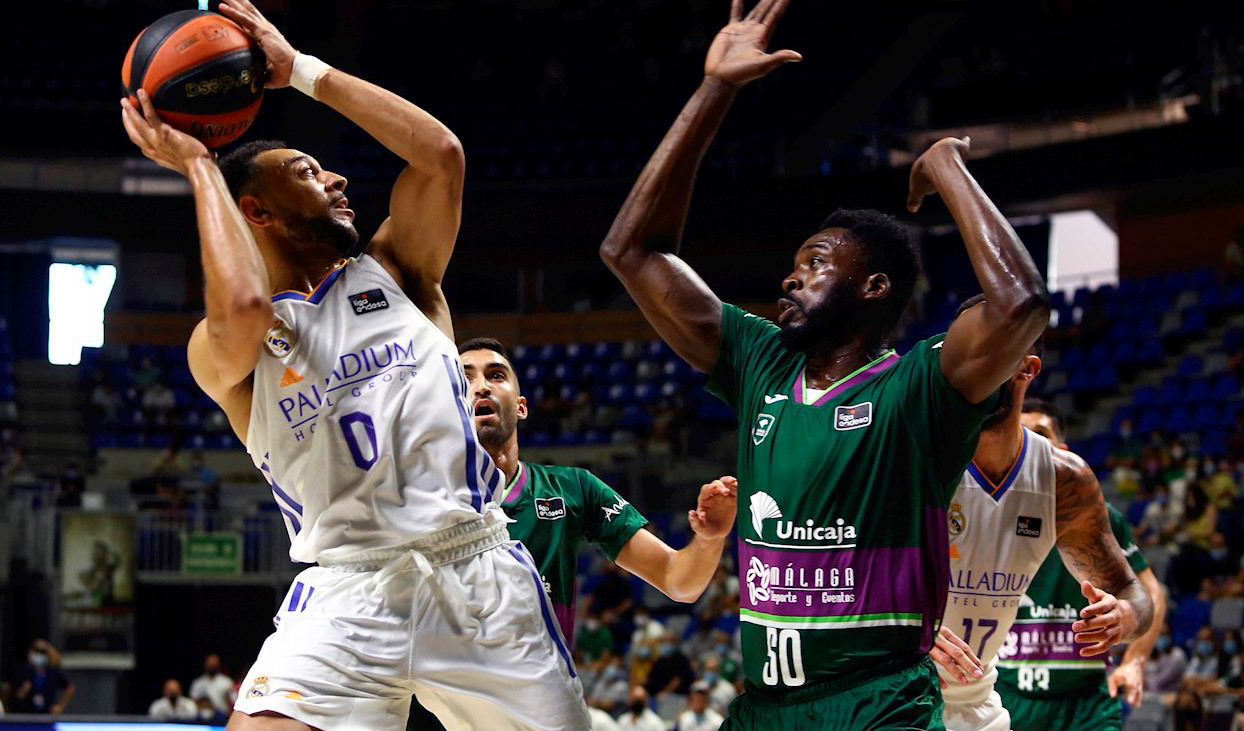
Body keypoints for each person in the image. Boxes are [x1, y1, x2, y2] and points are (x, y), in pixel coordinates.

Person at [119, 0, 587, 728]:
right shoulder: (229, 344)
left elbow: (441, 156)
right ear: (260, 212)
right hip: (346, 590)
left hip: (476, 574)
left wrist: (301, 71)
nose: (338, 179)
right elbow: (242, 305)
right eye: (310, 171)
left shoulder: (398, 269)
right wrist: (199, 166)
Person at [599, 0, 1050, 726]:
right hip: (765, 706)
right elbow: (631, 253)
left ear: (874, 286)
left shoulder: (919, 387)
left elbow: (1021, 303)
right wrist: (715, 90)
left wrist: (947, 169)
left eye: (813, 263)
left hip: (877, 704)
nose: (790, 278)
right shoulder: (761, 361)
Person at [931, 327, 1153, 731]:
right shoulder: (918, 455)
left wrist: (1123, 616)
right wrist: (902, 628)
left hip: (978, 702)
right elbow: (838, 568)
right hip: (899, 692)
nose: (976, 369)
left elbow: (1134, 592)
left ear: (1027, 368)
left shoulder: (1062, 480)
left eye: (992, 354)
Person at [459, 337, 738, 645]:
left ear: (522, 406)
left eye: (496, 375)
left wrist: (710, 539)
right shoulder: (416, 497)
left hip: (541, 688)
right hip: (442, 692)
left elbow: (678, 581)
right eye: (465, 378)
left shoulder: (573, 488)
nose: (482, 386)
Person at [1019, 398, 1167, 713]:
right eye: (1021, 435)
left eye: (1042, 435)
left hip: (1086, 705)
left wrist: (1135, 660)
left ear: (1064, 452)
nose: (1031, 446)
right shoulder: (980, 510)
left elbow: (1151, 592)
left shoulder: (1100, 515)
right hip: (1005, 694)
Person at [14, 639, 74, 714]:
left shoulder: (52, 672)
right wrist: (24, 690)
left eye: (42, 653)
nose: (39, 655)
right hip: (28, 714)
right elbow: (17, 696)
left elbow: (69, 688)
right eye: (36, 652)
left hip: (48, 714)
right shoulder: (25, 671)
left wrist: (60, 706)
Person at [1146, 623, 1188, 695]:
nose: (1161, 637)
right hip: (1149, 695)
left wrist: (1143, 682)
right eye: (1158, 634)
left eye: (1164, 634)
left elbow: (1161, 680)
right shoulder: (1150, 653)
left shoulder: (1177, 656)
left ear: (1170, 636)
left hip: (1170, 696)